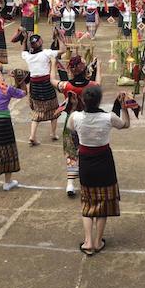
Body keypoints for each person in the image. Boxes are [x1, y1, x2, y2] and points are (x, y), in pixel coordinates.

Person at [66, 84, 133, 255]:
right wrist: (124, 106)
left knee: (88, 202)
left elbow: (69, 127)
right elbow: (125, 125)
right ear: (99, 100)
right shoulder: (108, 117)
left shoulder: (76, 117)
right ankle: (97, 241)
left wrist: (73, 106)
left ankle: (88, 241)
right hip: (104, 161)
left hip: (86, 162)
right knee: (102, 203)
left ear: (83, 100)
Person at [57, 56, 102, 197]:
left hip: (71, 122)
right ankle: (88, 181)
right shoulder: (92, 86)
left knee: (71, 153)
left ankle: (70, 184)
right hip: (88, 122)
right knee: (88, 151)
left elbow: (52, 80)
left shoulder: (66, 86)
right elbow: (98, 83)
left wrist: (53, 63)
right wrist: (99, 66)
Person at [22, 34, 65, 146]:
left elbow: (23, 50)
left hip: (34, 86)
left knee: (37, 111)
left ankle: (32, 136)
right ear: (40, 43)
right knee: (54, 109)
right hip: (46, 84)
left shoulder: (27, 56)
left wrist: (25, 38)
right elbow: (63, 50)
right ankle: (53, 133)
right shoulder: (46, 53)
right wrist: (59, 37)